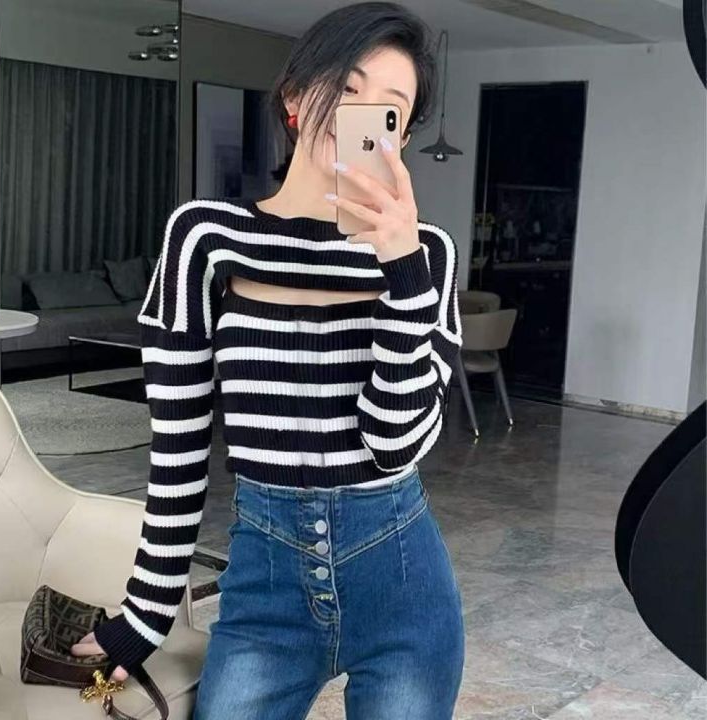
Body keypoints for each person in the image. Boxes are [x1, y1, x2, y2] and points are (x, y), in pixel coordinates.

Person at [71, 2, 465, 717]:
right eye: (345, 87)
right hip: (265, 587)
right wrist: (145, 617)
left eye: (388, 107)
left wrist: (402, 273)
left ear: (402, 136)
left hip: (403, 582)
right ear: (295, 97)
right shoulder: (204, 238)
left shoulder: (428, 255)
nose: (358, 114)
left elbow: (394, 443)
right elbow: (178, 452)